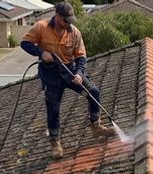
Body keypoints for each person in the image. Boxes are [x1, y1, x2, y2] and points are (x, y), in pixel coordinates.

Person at [20, 1, 115, 158]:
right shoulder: (41, 27)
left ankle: (96, 126)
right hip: (51, 75)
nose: (68, 24)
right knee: (53, 108)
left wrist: (78, 73)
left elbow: (81, 57)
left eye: (71, 20)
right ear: (57, 17)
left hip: (69, 71)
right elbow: (24, 43)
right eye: (66, 20)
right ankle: (55, 142)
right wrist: (41, 52)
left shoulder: (74, 32)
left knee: (93, 92)